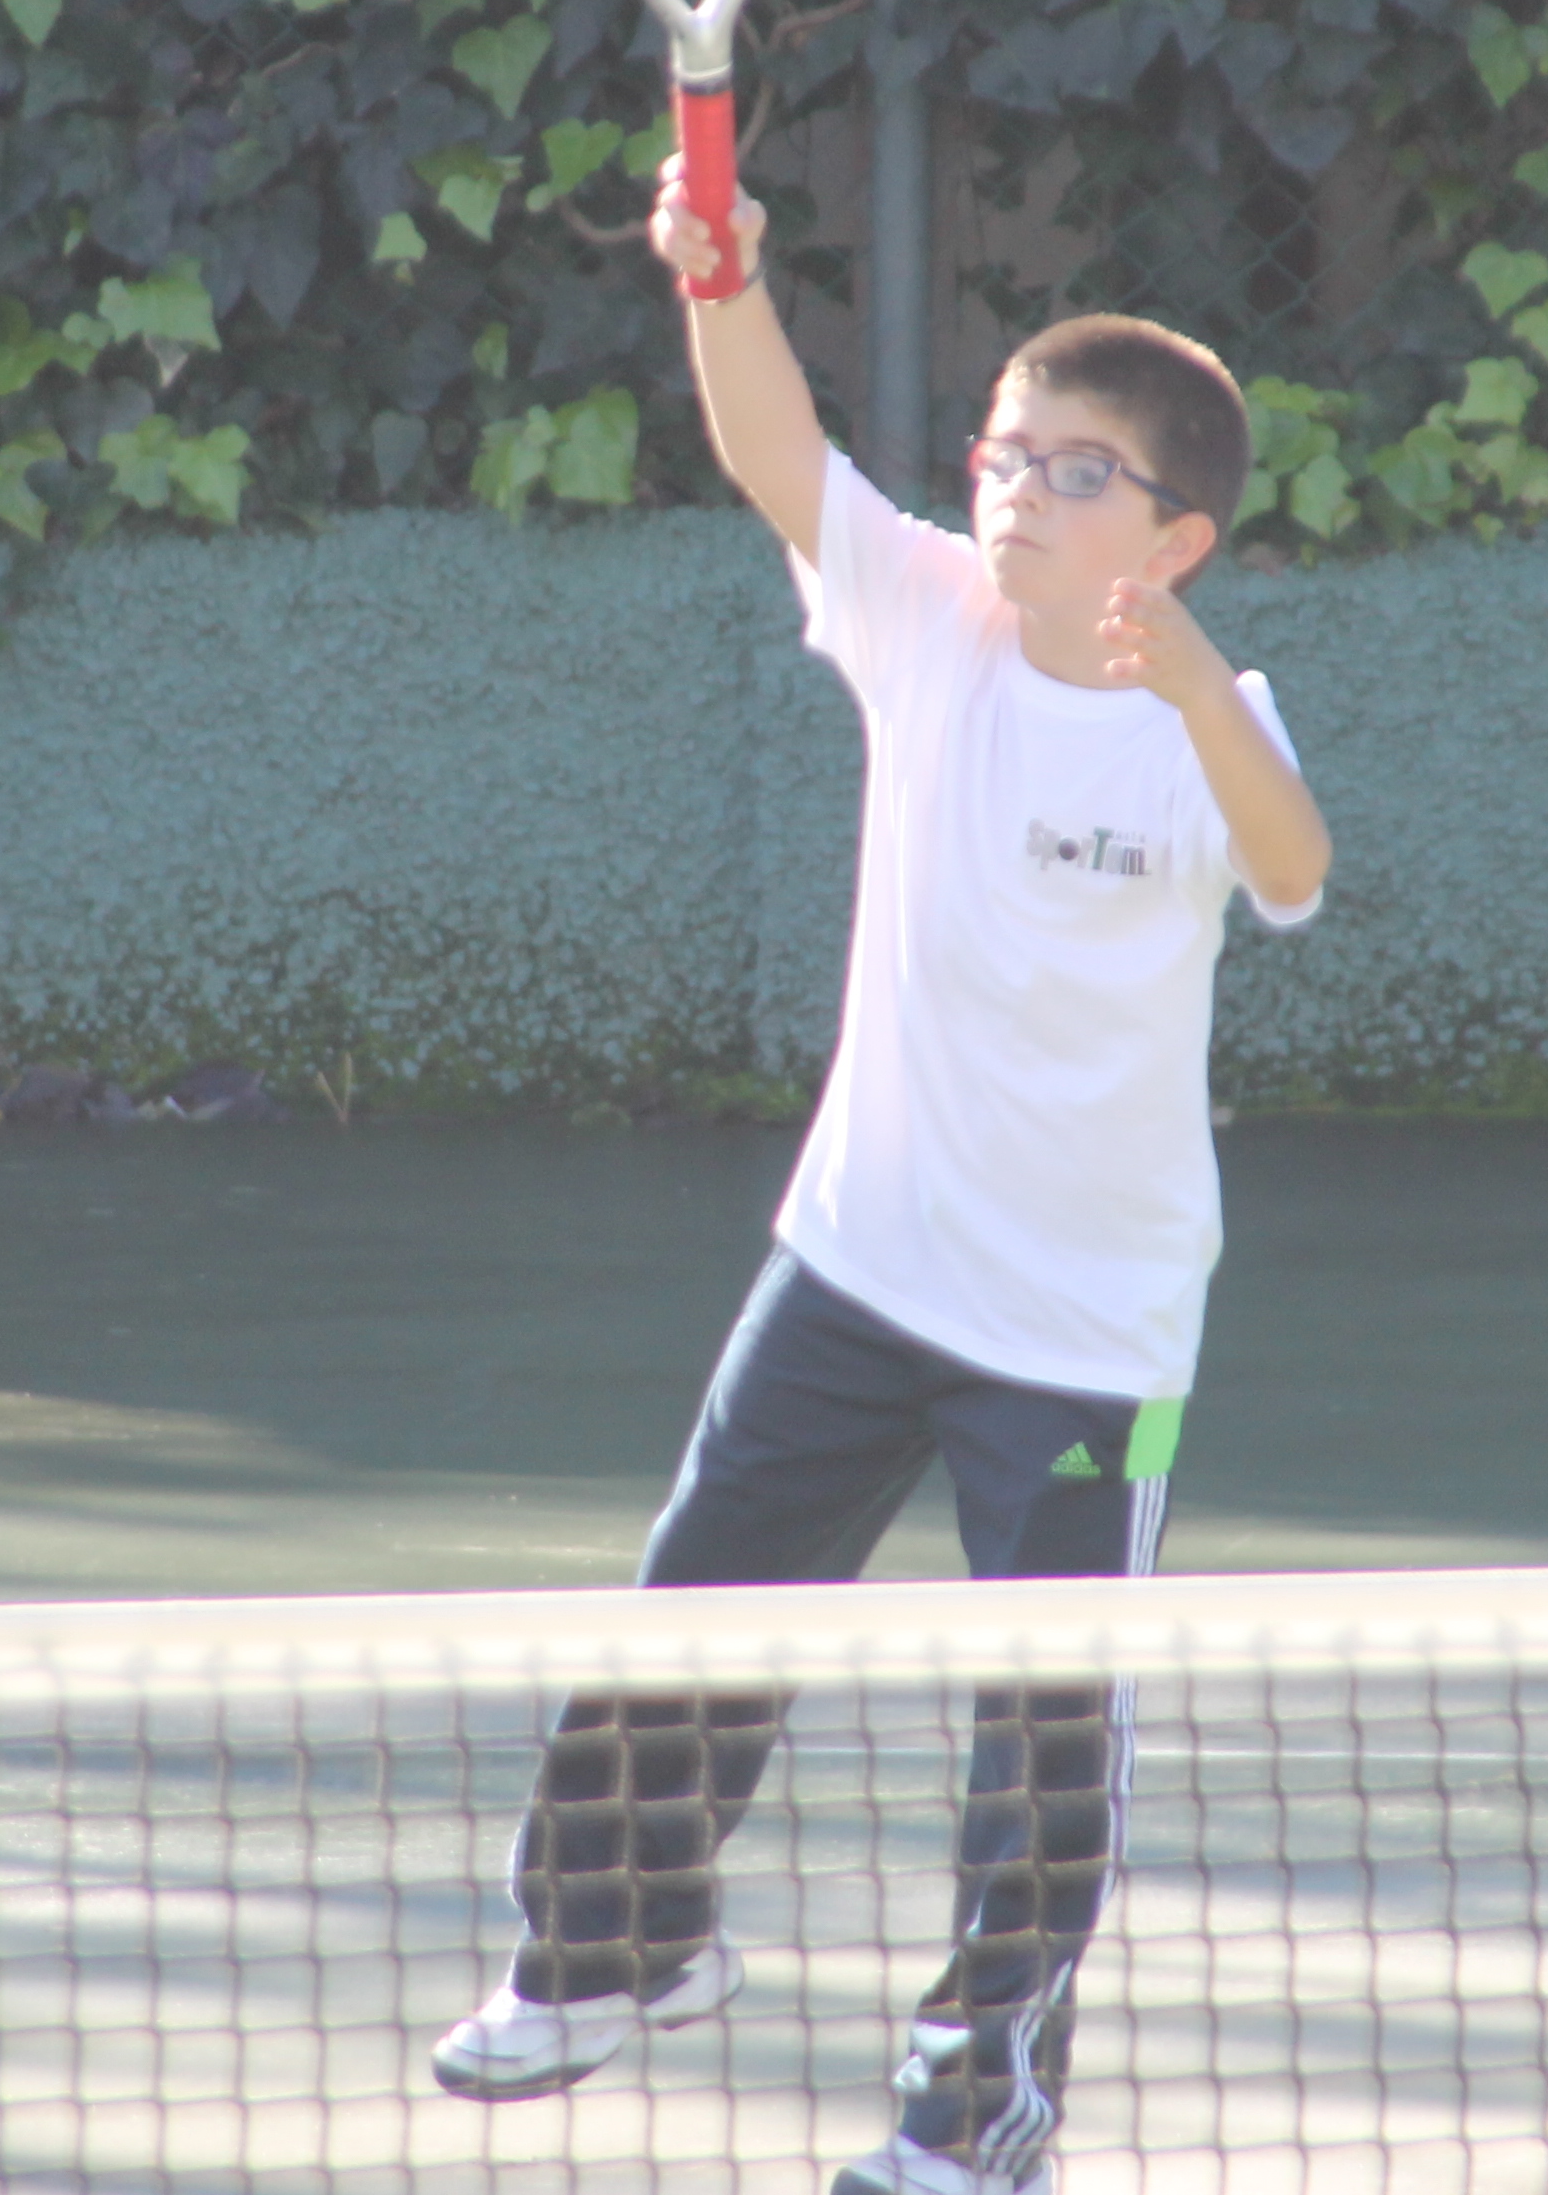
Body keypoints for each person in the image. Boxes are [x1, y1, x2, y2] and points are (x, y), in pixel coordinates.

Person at [427, 165, 1334, 2195]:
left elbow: (1293, 870)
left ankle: (976, 2104)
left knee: (1043, 1735)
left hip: (1090, 1341)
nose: (1017, 488)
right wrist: (722, 279)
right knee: (694, 1612)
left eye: (1076, 469)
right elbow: (780, 452)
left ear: (1175, 537)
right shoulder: (926, 617)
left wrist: (1199, 688)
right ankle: (616, 1946)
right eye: (1004, 449)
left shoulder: (1217, 726)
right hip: (856, 1266)